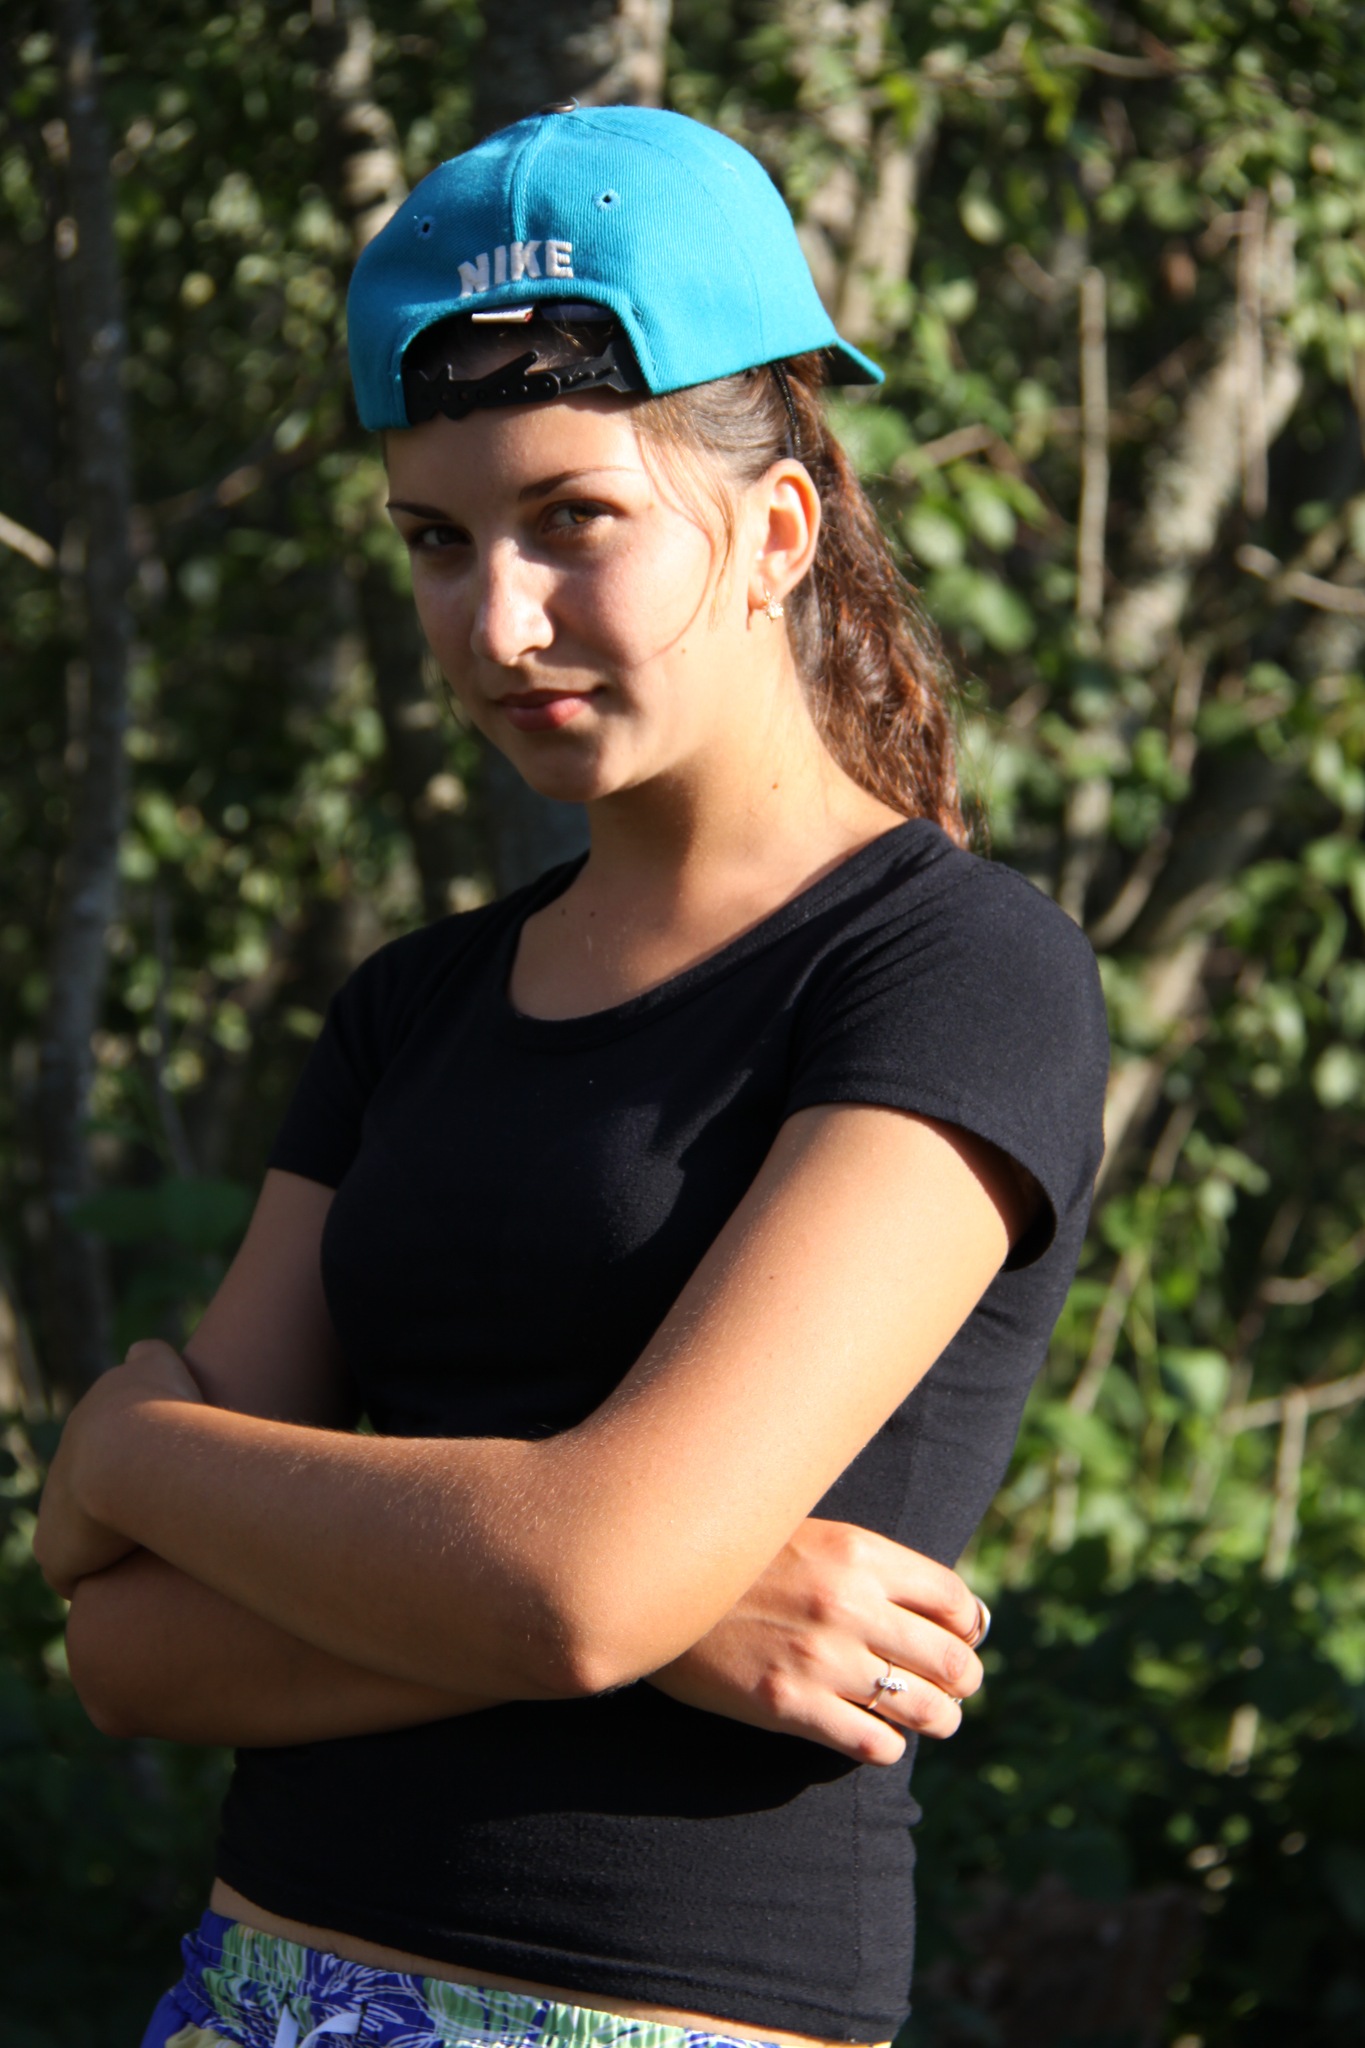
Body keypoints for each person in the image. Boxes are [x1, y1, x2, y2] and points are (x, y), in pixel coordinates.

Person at [35, 105, 1108, 2048]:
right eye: (435, 543)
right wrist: (674, 1609)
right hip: (259, 1993)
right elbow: (126, 1645)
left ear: (774, 531)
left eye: (573, 520)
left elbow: (581, 1588)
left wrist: (131, 1452)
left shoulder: (953, 974)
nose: (497, 623)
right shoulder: (409, 1008)